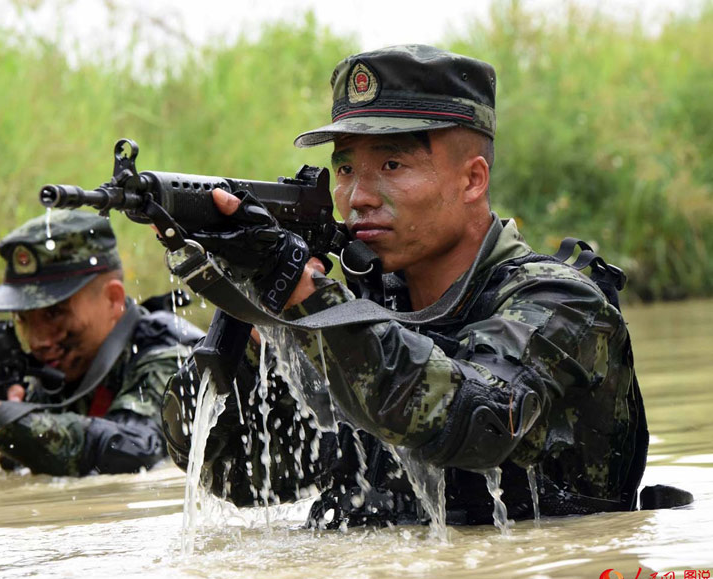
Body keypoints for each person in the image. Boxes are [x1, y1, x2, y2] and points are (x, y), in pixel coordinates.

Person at [161, 44, 650, 527]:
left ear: (472, 180)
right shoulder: (361, 312)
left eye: (392, 166)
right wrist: (248, 321)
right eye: (346, 168)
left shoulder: (562, 303)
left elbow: (477, 419)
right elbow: (237, 474)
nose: (358, 197)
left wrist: (304, 295)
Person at [0, 210, 203, 485]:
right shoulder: (51, 370)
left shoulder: (170, 356)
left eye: (55, 313)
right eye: (24, 318)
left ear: (112, 299)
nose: (38, 341)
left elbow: (136, 451)